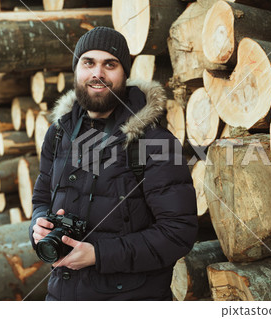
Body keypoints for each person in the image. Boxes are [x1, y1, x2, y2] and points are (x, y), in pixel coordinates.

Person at [28, 26, 198, 301]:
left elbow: (178, 232)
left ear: (125, 74)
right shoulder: (58, 134)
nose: (98, 73)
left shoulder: (154, 141)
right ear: (76, 70)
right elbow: (40, 199)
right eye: (88, 62)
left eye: (110, 64)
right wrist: (38, 226)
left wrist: (98, 255)